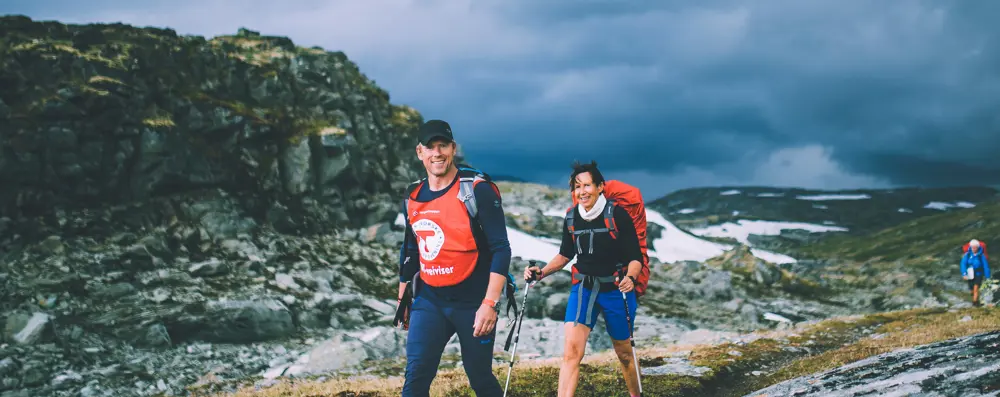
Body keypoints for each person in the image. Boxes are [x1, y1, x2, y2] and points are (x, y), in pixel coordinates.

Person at [394, 119, 512, 397]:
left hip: (473, 303)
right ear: (419, 152)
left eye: (443, 146)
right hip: (429, 301)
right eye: (430, 147)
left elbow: (501, 249)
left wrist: (490, 304)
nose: (437, 153)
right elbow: (411, 250)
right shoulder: (412, 196)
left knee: (480, 378)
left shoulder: (477, 190)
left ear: (453, 148)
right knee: (415, 378)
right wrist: (403, 300)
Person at [523, 160, 643, 397]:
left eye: (587, 185)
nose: (582, 192)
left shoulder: (617, 215)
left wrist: (630, 277)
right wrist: (542, 272)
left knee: (624, 354)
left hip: (615, 290)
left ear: (600, 186)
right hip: (584, 289)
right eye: (577, 187)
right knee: (571, 353)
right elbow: (565, 254)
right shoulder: (571, 217)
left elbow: (635, 258)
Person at [961, 239, 991, 307]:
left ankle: (975, 303)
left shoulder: (981, 255)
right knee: (972, 290)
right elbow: (963, 264)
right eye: (973, 247)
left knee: (976, 288)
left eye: (975, 247)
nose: (974, 249)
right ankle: (976, 300)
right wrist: (964, 273)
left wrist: (987, 276)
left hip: (978, 274)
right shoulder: (967, 255)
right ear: (971, 247)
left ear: (978, 247)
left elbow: (985, 266)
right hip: (970, 274)